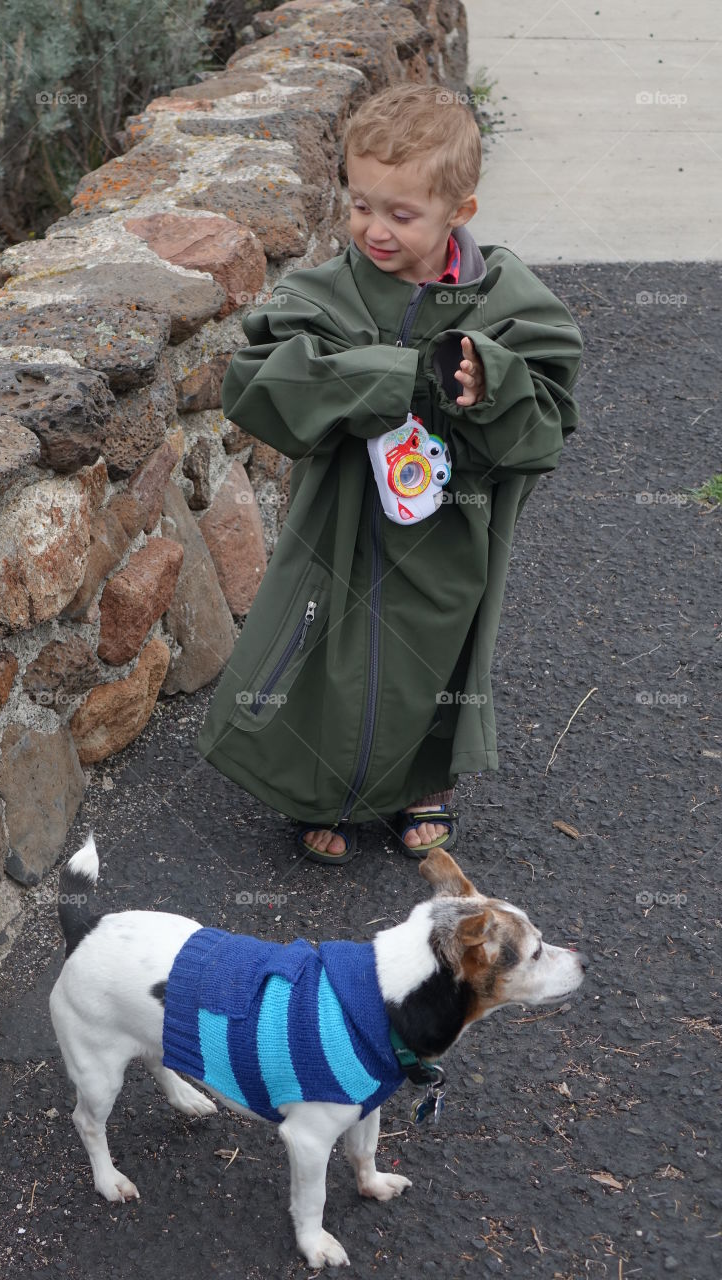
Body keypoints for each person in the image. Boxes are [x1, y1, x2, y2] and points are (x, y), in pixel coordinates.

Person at [195, 82, 584, 866]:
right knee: (328, 649)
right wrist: (396, 377)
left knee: (431, 652)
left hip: (449, 524)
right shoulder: (324, 291)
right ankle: (324, 791)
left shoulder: (504, 297)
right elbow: (258, 384)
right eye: (361, 204)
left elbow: (545, 416)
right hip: (342, 516)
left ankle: (420, 788)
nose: (374, 229)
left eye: (401, 215)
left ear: (459, 212)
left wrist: (488, 382)